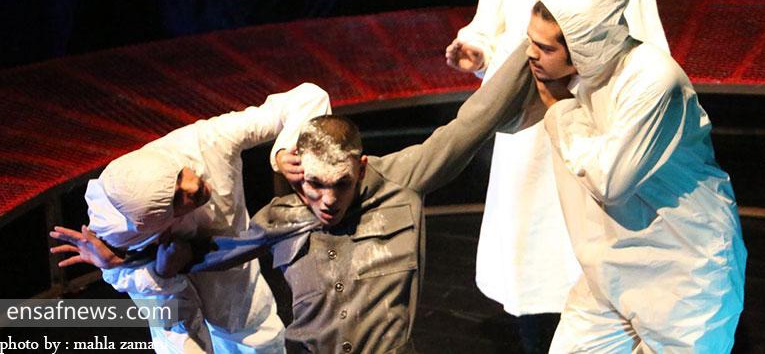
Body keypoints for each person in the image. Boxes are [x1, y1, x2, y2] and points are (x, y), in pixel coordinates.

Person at [53, 41, 538, 353]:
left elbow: (471, 124)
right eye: (313, 186)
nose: (325, 200)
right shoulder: (278, 217)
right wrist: (123, 265)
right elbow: (203, 256)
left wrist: (534, 41)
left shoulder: (397, 180)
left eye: (339, 184)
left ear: (360, 169)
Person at [444, 0, 669, 351]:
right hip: (528, 141)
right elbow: (486, 29)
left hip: (591, 133)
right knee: (532, 255)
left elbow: (652, 61)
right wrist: (475, 51)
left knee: (587, 256)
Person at [528, 0, 746, 351]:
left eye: (545, 48)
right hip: (612, 267)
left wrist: (561, 110)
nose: (531, 54)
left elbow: (609, 179)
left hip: (686, 270)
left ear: (583, 46)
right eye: (531, 41)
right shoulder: (583, 73)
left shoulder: (653, 80)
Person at [51, 83, 332, 353]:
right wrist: (153, 270)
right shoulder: (116, 220)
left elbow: (308, 97)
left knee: (258, 341)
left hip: (230, 275)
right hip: (167, 286)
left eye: (179, 175)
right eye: (177, 198)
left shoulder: (209, 141)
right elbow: (128, 278)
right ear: (162, 222)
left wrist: (286, 150)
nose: (192, 186)